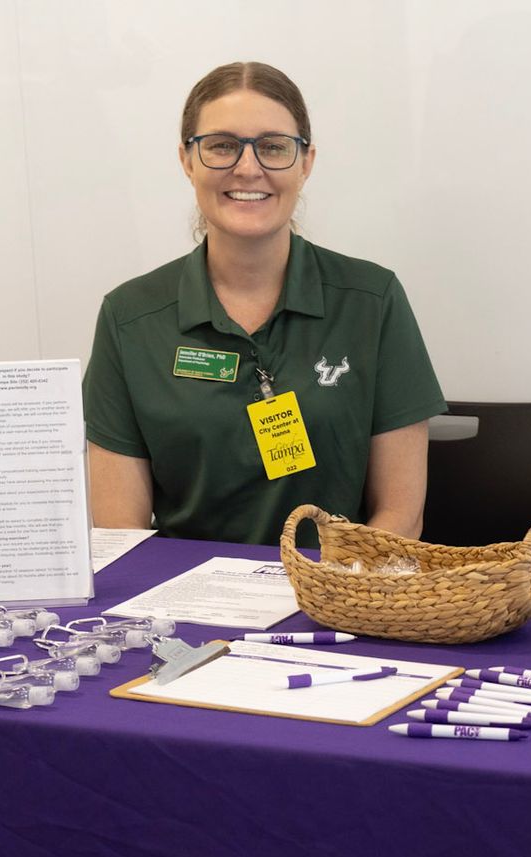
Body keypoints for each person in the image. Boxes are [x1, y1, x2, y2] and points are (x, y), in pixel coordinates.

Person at [84, 62, 446, 546]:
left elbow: (400, 517)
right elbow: (118, 535)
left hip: (337, 600)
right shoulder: (129, 317)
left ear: (306, 161)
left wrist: (330, 593)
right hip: (188, 609)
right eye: (222, 146)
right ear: (187, 160)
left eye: (274, 147)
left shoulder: (371, 301)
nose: (248, 168)